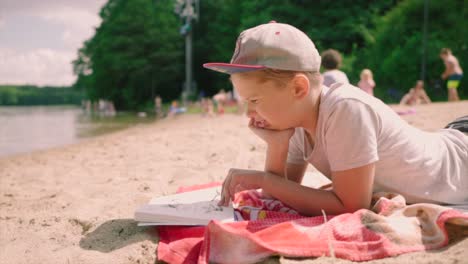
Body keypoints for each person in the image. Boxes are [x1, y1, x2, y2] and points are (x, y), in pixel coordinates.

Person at [203, 22, 468, 216]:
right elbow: (278, 197)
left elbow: (351, 205)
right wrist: (277, 145)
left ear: (298, 89)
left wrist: (264, 180)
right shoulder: (296, 125)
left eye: (255, 101)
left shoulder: (345, 109)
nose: (249, 114)